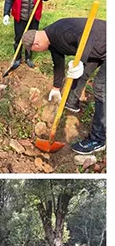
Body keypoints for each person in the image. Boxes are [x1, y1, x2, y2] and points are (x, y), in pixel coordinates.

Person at [22, 18, 106, 154]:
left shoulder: (60, 31)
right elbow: (58, 64)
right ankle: (72, 104)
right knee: (82, 74)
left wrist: (82, 60)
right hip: (99, 48)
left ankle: (98, 139)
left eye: (35, 51)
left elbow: (86, 36)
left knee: (101, 87)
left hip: (105, 41)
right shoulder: (51, 42)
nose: (39, 52)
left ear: (36, 44)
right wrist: (56, 88)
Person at [3, 0, 51, 69]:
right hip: (20, 17)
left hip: (34, 17)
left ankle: (28, 58)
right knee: (18, 38)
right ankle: (17, 58)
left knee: (31, 39)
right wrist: (6, 13)